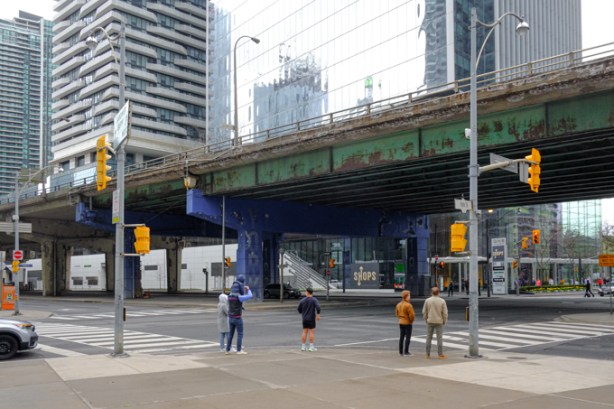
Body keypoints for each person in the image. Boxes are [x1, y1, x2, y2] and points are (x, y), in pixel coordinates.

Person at [225, 275, 253, 355]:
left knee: (230, 334)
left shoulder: (229, 295)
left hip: (230, 318)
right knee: (240, 334)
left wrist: (241, 307)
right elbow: (250, 296)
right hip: (237, 317)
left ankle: (227, 350)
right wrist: (248, 289)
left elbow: (232, 305)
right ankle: (239, 350)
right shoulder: (239, 297)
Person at [422, 286, 448, 359]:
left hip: (430, 321)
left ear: (431, 292)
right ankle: (440, 354)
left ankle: (427, 354)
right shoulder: (442, 301)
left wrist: (426, 319)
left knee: (428, 338)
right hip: (439, 321)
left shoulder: (427, 300)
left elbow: (424, 311)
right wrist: (444, 321)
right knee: (439, 338)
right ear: (438, 293)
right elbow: (445, 313)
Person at [297, 287, 321, 352]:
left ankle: (303, 346)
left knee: (304, 332)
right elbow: (318, 307)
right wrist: (318, 314)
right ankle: (311, 347)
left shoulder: (302, 300)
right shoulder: (314, 300)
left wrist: (302, 312)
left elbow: (299, 309)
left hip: (304, 318)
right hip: (311, 318)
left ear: (307, 292)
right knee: (311, 332)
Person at [395, 290, 415, 356]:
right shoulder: (409, 305)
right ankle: (406, 351)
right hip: (407, 323)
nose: (410, 297)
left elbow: (397, 314)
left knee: (401, 337)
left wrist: (400, 318)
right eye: (409, 295)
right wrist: (411, 321)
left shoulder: (398, 304)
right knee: (408, 338)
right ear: (406, 296)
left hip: (401, 322)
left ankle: (400, 352)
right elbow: (412, 315)